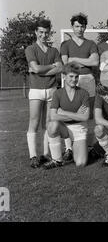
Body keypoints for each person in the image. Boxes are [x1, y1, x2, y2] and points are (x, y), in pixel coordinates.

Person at [60, 13, 99, 160]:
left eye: (82, 26)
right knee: (69, 112)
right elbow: (66, 65)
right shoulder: (66, 44)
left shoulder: (91, 44)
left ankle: (88, 146)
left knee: (87, 114)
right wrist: (85, 61)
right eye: (77, 26)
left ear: (85, 27)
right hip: (71, 80)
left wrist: (74, 59)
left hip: (88, 80)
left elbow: (95, 62)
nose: (80, 29)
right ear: (72, 27)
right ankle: (69, 148)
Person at [25, 19, 63, 168]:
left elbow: (60, 68)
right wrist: (51, 66)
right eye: (40, 32)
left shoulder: (54, 50)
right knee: (33, 122)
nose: (43, 35)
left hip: (52, 90)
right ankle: (33, 156)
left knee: (48, 124)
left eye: (46, 32)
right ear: (36, 32)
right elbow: (35, 68)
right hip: (36, 90)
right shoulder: (30, 49)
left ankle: (46, 154)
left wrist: (42, 69)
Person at [43, 62, 90, 169]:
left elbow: (85, 117)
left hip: (79, 128)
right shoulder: (58, 93)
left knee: (80, 163)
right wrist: (76, 114)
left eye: (76, 77)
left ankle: (75, 147)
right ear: (64, 77)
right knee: (52, 125)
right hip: (64, 127)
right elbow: (53, 116)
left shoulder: (84, 93)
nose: (74, 79)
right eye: (71, 76)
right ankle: (57, 160)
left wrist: (63, 112)